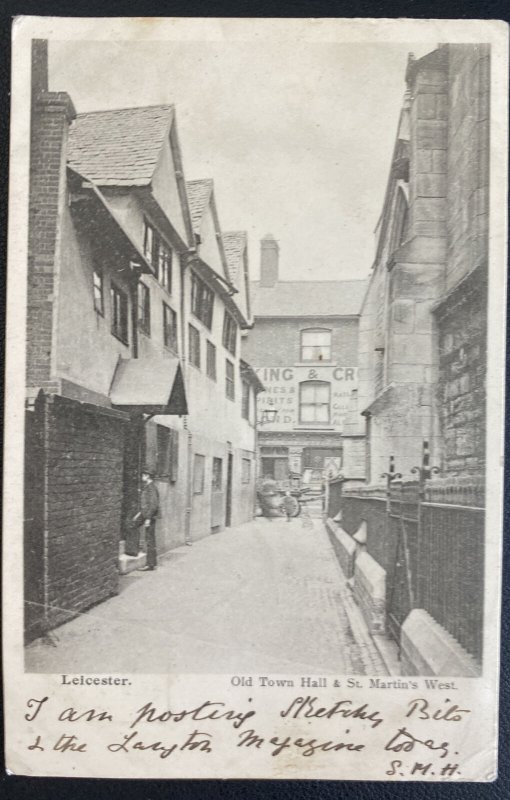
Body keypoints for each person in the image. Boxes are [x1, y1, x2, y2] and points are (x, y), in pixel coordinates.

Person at [138, 467, 160, 571]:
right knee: (150, 539)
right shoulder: (149, 486)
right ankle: (152, 563)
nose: (142, 477)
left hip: (149, 517)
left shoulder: (151, 487)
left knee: (150, 540)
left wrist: (148, 518)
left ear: (147, 476)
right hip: (147, 515)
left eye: (143, 475)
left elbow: (154, 505)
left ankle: (150, 564)